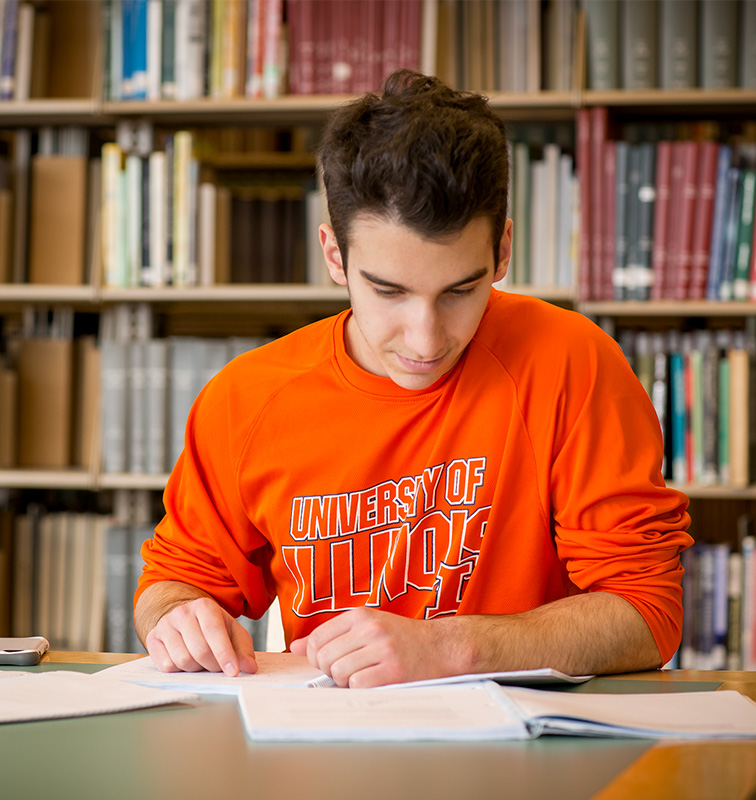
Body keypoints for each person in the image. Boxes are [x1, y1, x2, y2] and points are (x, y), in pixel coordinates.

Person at [134, 70, 692, 687]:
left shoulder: (574, 364)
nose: (426, 340)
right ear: (334, 255)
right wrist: (177, 615)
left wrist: (452, 647)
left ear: (502, 250)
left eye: (461, 289)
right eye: (388, 291)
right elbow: (175, 582)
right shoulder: (246, 398)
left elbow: (648, 613)